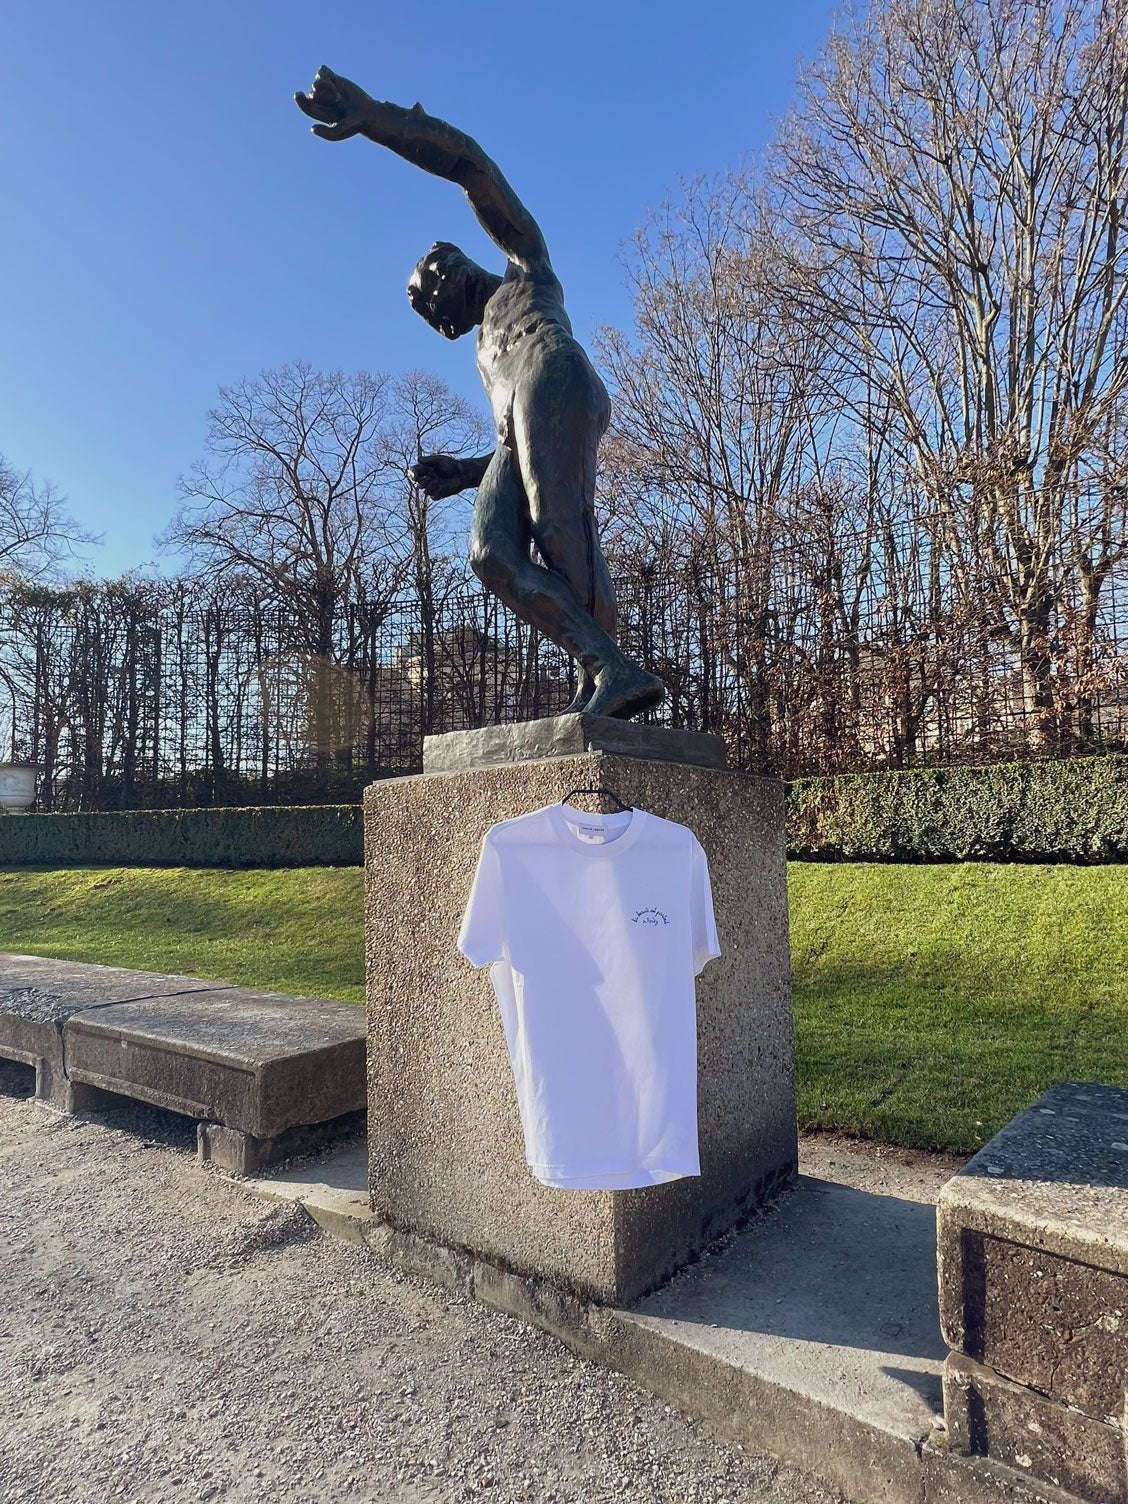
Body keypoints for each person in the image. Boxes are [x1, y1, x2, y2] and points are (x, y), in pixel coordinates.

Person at [295, 67, 665, 720]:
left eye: (434, 281)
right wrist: (466, 472)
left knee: (560, 530)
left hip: (555, 375)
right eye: (426, 302)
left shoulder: (527, 269)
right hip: (522, 415)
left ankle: (610, 673)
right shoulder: (484, 348)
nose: (437, 299)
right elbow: (518, 441)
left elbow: (471, 165)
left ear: (460, 263)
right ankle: (606, 667)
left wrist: (377, 120)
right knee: (490, 553)